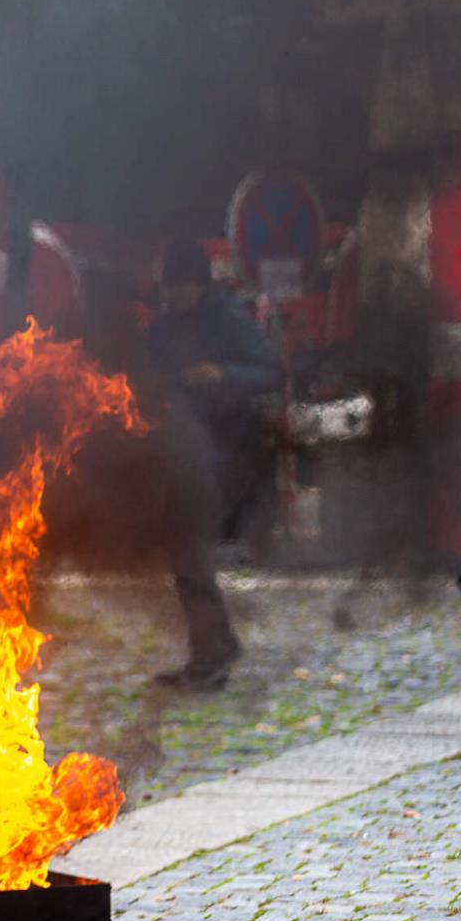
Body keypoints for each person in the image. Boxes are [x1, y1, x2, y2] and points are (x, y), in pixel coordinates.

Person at [145, 238, 284, 690]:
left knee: (189, 553)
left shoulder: (228, 319)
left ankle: (210, 657)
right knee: (184, 553)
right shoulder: (165, 327)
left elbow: (270, 371)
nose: (174, 296)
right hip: (182, 449)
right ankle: (217, 644)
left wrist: (222, 374)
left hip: (227, 452)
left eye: (181, 287)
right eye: (169, 287)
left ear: (199, 285)